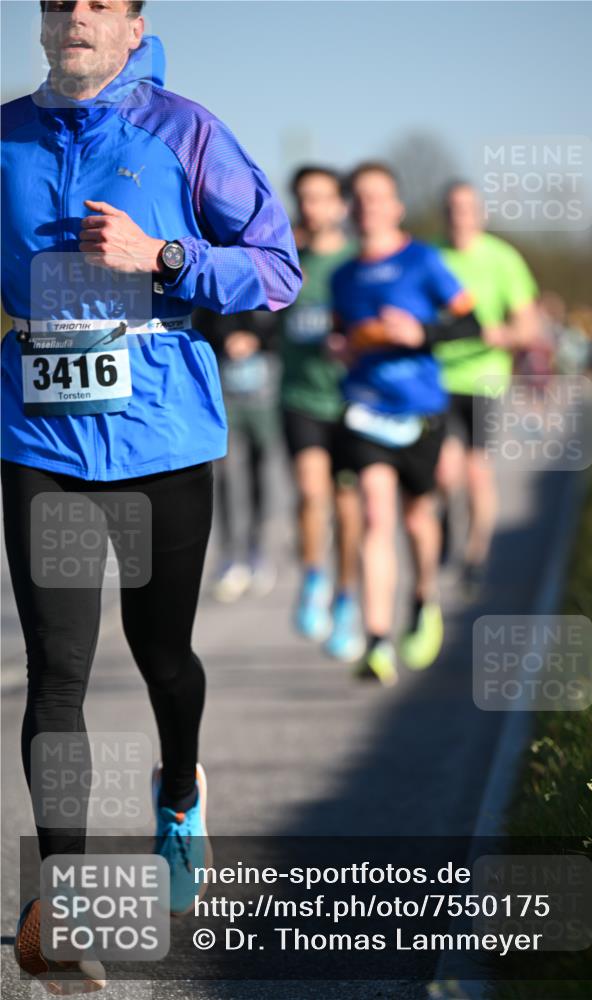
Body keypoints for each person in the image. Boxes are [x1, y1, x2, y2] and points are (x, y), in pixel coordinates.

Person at [2, 1, 300, 990]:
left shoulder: (188, 130)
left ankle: (179, 787)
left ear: (134, 27)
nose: (73, 17)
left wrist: (164, 257)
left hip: (162, 432)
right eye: (56, 3)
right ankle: (62, 900)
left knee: (162, 654)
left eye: (97, 4)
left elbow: (277, 270)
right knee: (57, 670)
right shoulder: (5, 134)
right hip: (37, 430)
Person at [331, 163, 481, 685]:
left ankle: (424, 598)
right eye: (359, 198)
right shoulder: (342, 276)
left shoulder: (425, 261)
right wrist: (344, 347)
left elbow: (470, 320)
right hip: (364, 408)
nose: (368, 206)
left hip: (421, 410)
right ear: (352, 211)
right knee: (375, 516)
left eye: (379, 197)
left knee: (418, 520)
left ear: (396, 207)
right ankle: (375, 641)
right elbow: (339, 336)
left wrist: (421, 334)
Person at [434, 181, 539, 593]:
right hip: (439, 378)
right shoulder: (432, 258)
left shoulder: (503, 259)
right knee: (444, 472)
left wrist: (503, 335)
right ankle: (445, 518)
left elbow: (528, 328)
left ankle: (475, 556)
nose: (459, 216)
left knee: (477, 474)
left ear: (482, 215)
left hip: (484, 380)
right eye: (451, 208)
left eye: (467, 208)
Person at [280, 166, 364, 662]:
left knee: (348, 505)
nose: (311, 207)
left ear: (340, 206)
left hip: (352, 401)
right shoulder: (285, 257)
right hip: (300, 396)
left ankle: (347, 599)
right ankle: (314, 576)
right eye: (304, 198)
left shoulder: (356, 262)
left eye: (321, 198)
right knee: (311, 492)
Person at [195, 308, 280, 602]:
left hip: (263, 393)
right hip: (225, 390)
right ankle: (230, 556)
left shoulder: (267, 270)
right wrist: (226, 339)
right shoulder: (213, 271)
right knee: (226, 474)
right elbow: (200, 323)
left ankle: (257, 548)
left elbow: (282, 322)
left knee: (260, 470)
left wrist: (255, 338)